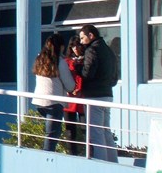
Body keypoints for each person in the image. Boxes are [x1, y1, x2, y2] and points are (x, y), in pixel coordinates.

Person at [78, 24, 119, 162]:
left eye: (83, 38)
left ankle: (100, 163)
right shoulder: (108, 50)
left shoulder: (92, 50)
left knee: (95, 133)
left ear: (91, 36)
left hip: (94, 96)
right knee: (106, 131)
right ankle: (113, 162)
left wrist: (79, 69)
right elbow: (115, 76)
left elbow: (88, 72)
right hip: (107, 94)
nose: (81, 42)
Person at [32, 34, 75, 152]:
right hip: (53, 103)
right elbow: (70, 86)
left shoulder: (39, 58)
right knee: (52, 135)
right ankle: (46, 159)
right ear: (60, 47)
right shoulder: (60, 62)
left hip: (39, 102)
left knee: (50, 133)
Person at [63, 36, 86, 156]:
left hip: (83, 98)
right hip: (69, 99)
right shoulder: (66, 62)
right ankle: (72, 155)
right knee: (70, 131)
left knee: (85, 129)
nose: (75, 48)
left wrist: (80, 89)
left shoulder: (86, 59)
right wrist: (68, 90)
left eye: (77, 45)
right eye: (73, 46)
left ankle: (89, 154)